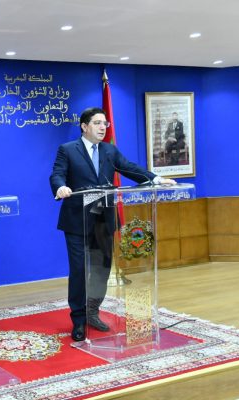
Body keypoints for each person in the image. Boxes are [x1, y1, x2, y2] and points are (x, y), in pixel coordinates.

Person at [49, 107, 175, 342]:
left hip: (103, 220)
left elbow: (130, 168)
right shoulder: (68, 149)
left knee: (101, 270)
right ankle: (78, 320)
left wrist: (156, 179)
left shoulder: (109, 150)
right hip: (77, 221)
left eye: (105, 123)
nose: (103, 127)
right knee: (79, 271)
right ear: (84, 126)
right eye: (97, 123)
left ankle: (92, 312)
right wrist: (61, 187)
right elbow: (57, 174)